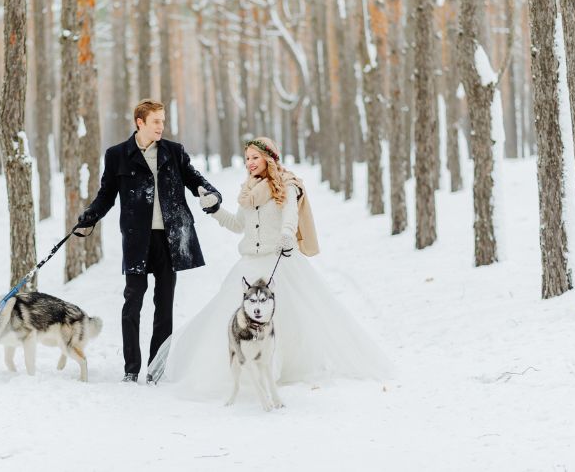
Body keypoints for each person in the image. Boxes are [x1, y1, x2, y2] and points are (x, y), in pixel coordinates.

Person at [148, 137, 392, 398]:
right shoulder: (248, 191)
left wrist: (287, 234)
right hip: (249, 265)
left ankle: (279, 369)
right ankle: (241, 372)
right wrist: (216, 210)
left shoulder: (287, 185)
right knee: (234, 320)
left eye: (255, 157)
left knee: (288, 318)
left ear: (269, 158)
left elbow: (290, 214)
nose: (250, 163)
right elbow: (237, 225)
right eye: (247, 158)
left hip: (279, 261)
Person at [76, 99, 221, 383]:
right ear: (139, 122)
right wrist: (89, 217)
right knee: (132, 302)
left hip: (170, 239)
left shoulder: (174, 152)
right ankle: (131, 369)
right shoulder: (117, 155)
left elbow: (196, 181)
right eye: (156, 121)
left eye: (163, 121)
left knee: (164, 304)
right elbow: (107, 194)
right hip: (136, 239)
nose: (161, 127)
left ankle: (157, 367)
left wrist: (211, 194)